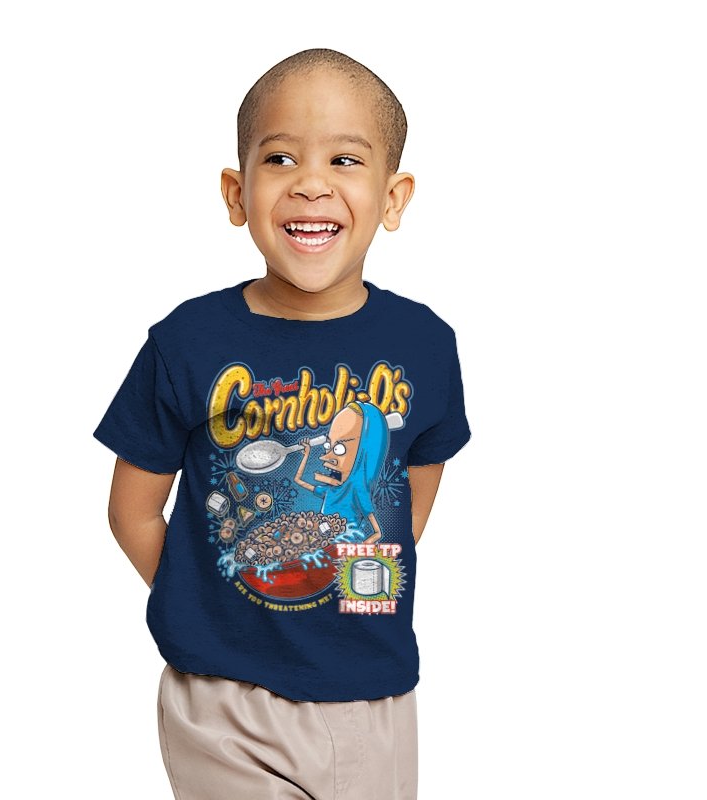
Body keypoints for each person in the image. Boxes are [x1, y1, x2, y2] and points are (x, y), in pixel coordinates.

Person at [93, 48, 471, 800]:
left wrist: (344, 549)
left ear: (393, 198)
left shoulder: (426, 344)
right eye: (281, 158)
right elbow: (131, 511)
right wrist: (208, 602)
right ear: (237, 193)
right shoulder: (187, 342)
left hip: (375, 696)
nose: (311, 182)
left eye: (344, 159)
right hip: (221, 699)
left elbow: (413, 494)